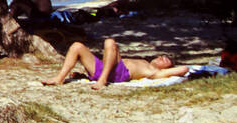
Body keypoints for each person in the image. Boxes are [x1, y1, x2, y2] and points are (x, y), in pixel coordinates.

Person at [40, 37, 185, 89]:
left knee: (109, 42)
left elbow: (183, 69)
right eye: (161, 56)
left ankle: (102, 80)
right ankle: (60, 78)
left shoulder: (155, 73)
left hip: (116, 74)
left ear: (167, 68)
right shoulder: (144, 61)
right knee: (77, 46)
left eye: (166, 60)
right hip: (102, 68)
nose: (162, 58)